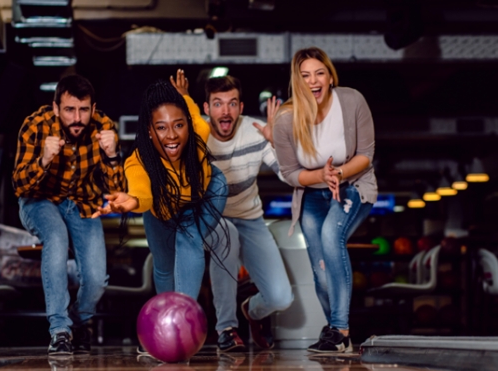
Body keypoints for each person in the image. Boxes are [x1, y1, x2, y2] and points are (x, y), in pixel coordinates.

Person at [272, 46, 378, 353]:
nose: (313, 81)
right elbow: (291, 172)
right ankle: (337, 331)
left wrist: (339, 175)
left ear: (330, 76)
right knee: (320, 270)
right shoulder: (285, 119)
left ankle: (340, 331)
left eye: (319, 73)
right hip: (312, 195)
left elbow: (366, 155)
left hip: (353, 186)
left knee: (333, 237)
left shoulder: (352, 100)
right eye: (305, 76)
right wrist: (321, 176)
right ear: (297, 81)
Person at [13, 74, 126, 355]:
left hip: (82, 204)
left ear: (93, 107)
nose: (77, 118)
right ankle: (60, 330)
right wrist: (44, 161)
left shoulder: (104, 127)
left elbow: (117, 193)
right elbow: (19, 185)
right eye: (69, 110)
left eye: (84, 110)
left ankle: (78, 321)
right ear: (55, 108)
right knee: (56, 237)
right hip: (39, 201)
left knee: (97, 279)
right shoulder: (34, 125)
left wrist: (112, 157)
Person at [92, 75, 228, 302]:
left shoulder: (199, 131)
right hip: (160, 211)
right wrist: (134, 201)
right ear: (149, 130)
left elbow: (193, 113)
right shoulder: (138, 161)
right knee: (164, 266)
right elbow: (141, 191)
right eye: (161, 128)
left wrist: (184, 95)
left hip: (201, 198)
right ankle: (166, 314)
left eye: (179, 125)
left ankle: (183, 312)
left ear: (187, 124)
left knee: (189, 237)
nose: (172, 135)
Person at [188, 73, 294, 352]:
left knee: (280, 298)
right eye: (218, 104)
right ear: (206, 108)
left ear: (241, 107)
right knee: (228, 236)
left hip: (251, 219)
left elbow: (287, 175)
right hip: (214, 218)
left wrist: (276, 140)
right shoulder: (197, 136)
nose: (226, 110)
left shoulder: (255, 130)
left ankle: (251, 310)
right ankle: (226, 328)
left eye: (232, 103)